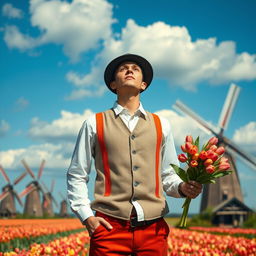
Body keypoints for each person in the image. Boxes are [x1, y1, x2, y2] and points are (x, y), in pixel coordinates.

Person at [67, 53, 202, 256]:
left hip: (153, 229)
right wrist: (87, 217)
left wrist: (182, 188)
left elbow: (168, 175)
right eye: (123, 69)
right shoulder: (93, 123)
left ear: (144, 85)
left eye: (135, 69)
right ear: (113, 84)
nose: (129, 70)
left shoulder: (161, 125)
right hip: (109, 227)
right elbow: (77, 173)